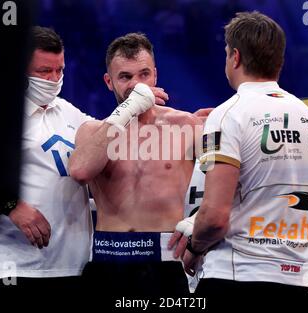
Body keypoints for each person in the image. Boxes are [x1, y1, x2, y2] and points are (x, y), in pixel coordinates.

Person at [181, 11, 308, 294]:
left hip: (236, 274)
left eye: (227, 53)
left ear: (236, 57)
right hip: (294, 280)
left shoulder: (228, 115)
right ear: (279, 61)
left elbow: (214, 217)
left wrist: (193, 247)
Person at [69, 32, 210, 295]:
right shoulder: (92, 132)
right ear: (109, 82)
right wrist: (129, 109)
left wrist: (199, 224)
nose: (137, 84)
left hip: (167, 265)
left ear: (155, 75)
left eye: (144, 74)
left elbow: (230, 184)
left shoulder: (187, 126)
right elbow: (79, 171)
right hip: (108, 264)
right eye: (125, 77)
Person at [0, 26, 95, 300]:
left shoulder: (67, 111)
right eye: (44, 71)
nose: (54, 79)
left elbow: (111, 137)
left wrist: (166, 119)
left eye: (59, 70)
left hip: (72, 269)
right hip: (11, 267)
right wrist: (11, 205)